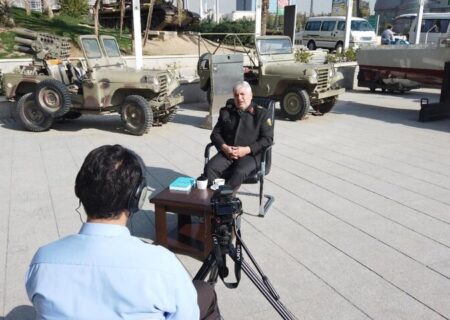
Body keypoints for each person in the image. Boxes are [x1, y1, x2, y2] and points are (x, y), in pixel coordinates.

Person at [25, 144, 220, 320]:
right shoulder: (162, 265)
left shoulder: (42, 260)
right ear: (138, 198)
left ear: (79, 191)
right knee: (204, 291)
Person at [205, 81, 274, 191]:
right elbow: (215, 134)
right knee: (210, 168)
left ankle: (227, 200)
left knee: (239, 171)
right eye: (236, 95)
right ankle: (212, 197)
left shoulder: (261, 114)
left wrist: (247, 150)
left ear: (250, 96)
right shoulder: (227, 111)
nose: (239, 98)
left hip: (251, 155)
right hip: (228, 152)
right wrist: (225, 148)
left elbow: (268, 139)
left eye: (242, 94)